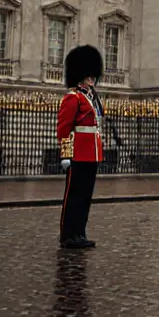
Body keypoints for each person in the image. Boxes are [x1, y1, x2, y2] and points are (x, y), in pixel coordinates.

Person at [58, 45, 107, 249]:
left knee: (85, 197)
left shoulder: (90, 98)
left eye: (93, 77)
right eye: (89, 77)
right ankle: (68, 235)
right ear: (81, 76)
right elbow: (64, 128)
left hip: (91, 155)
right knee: (73, 197)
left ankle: (80, 232)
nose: (92, 80)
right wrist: (66, 155)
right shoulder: (73, 98)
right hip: (78, 154)